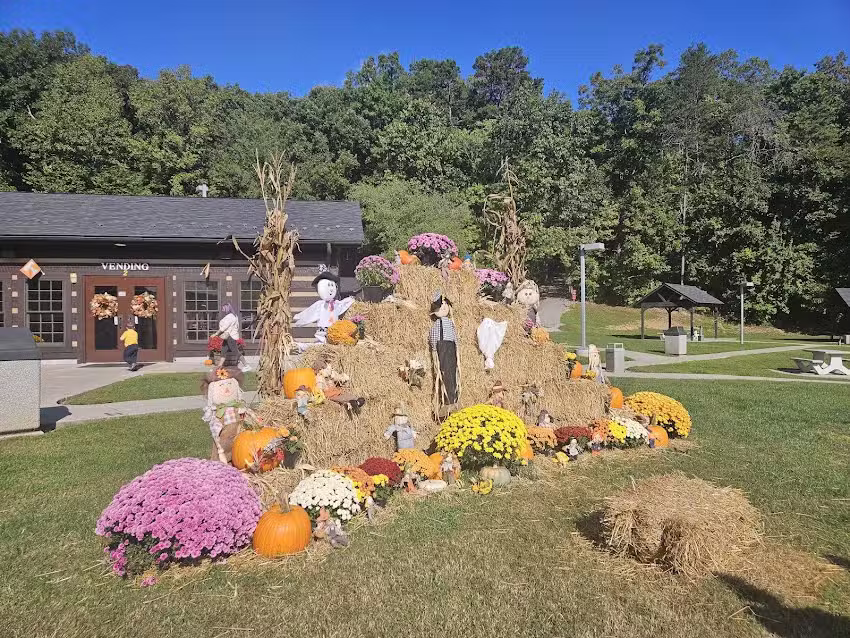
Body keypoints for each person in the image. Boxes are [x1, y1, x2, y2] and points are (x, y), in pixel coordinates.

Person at [213, 303, 250, 372]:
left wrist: (216, 334)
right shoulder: (233, 316)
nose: (222, 309)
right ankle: (219, 367)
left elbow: (224, 327)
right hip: (227, 337)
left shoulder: (230, 317)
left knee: (236, 352)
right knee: (223, 352)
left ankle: (247, 366)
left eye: (223, 308)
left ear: (227, 308)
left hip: (230, 337)